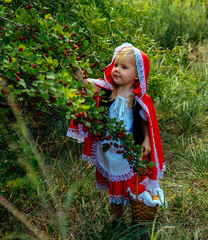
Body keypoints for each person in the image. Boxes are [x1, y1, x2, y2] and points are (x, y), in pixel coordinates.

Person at [67, 43, 166, 223]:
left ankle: (138, 215)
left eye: (124, 67)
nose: (117, 70)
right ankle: (116, 219)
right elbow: (86, 84)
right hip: (109, 150)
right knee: (115, 186)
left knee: (131, 185)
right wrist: (77, 71)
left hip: (129, 151)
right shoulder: (108, 90)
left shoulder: (139, 99)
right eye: (115, 65)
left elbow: (146, 123)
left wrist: (146, 141)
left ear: (137, 74)